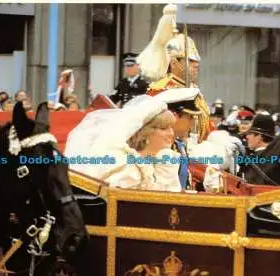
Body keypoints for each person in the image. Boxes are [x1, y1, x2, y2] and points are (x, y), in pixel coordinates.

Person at [64, 91, 195, 192]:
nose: (170, 134)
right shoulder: (126, 166)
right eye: (163, 128)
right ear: (146, 134)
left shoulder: (165, 160)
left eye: (170, 128)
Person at [137, 4, 210, 142]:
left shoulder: (194, 90)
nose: (196, 64)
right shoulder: (159, 90)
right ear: (175, 62)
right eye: (191, 60)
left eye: (197, 61)